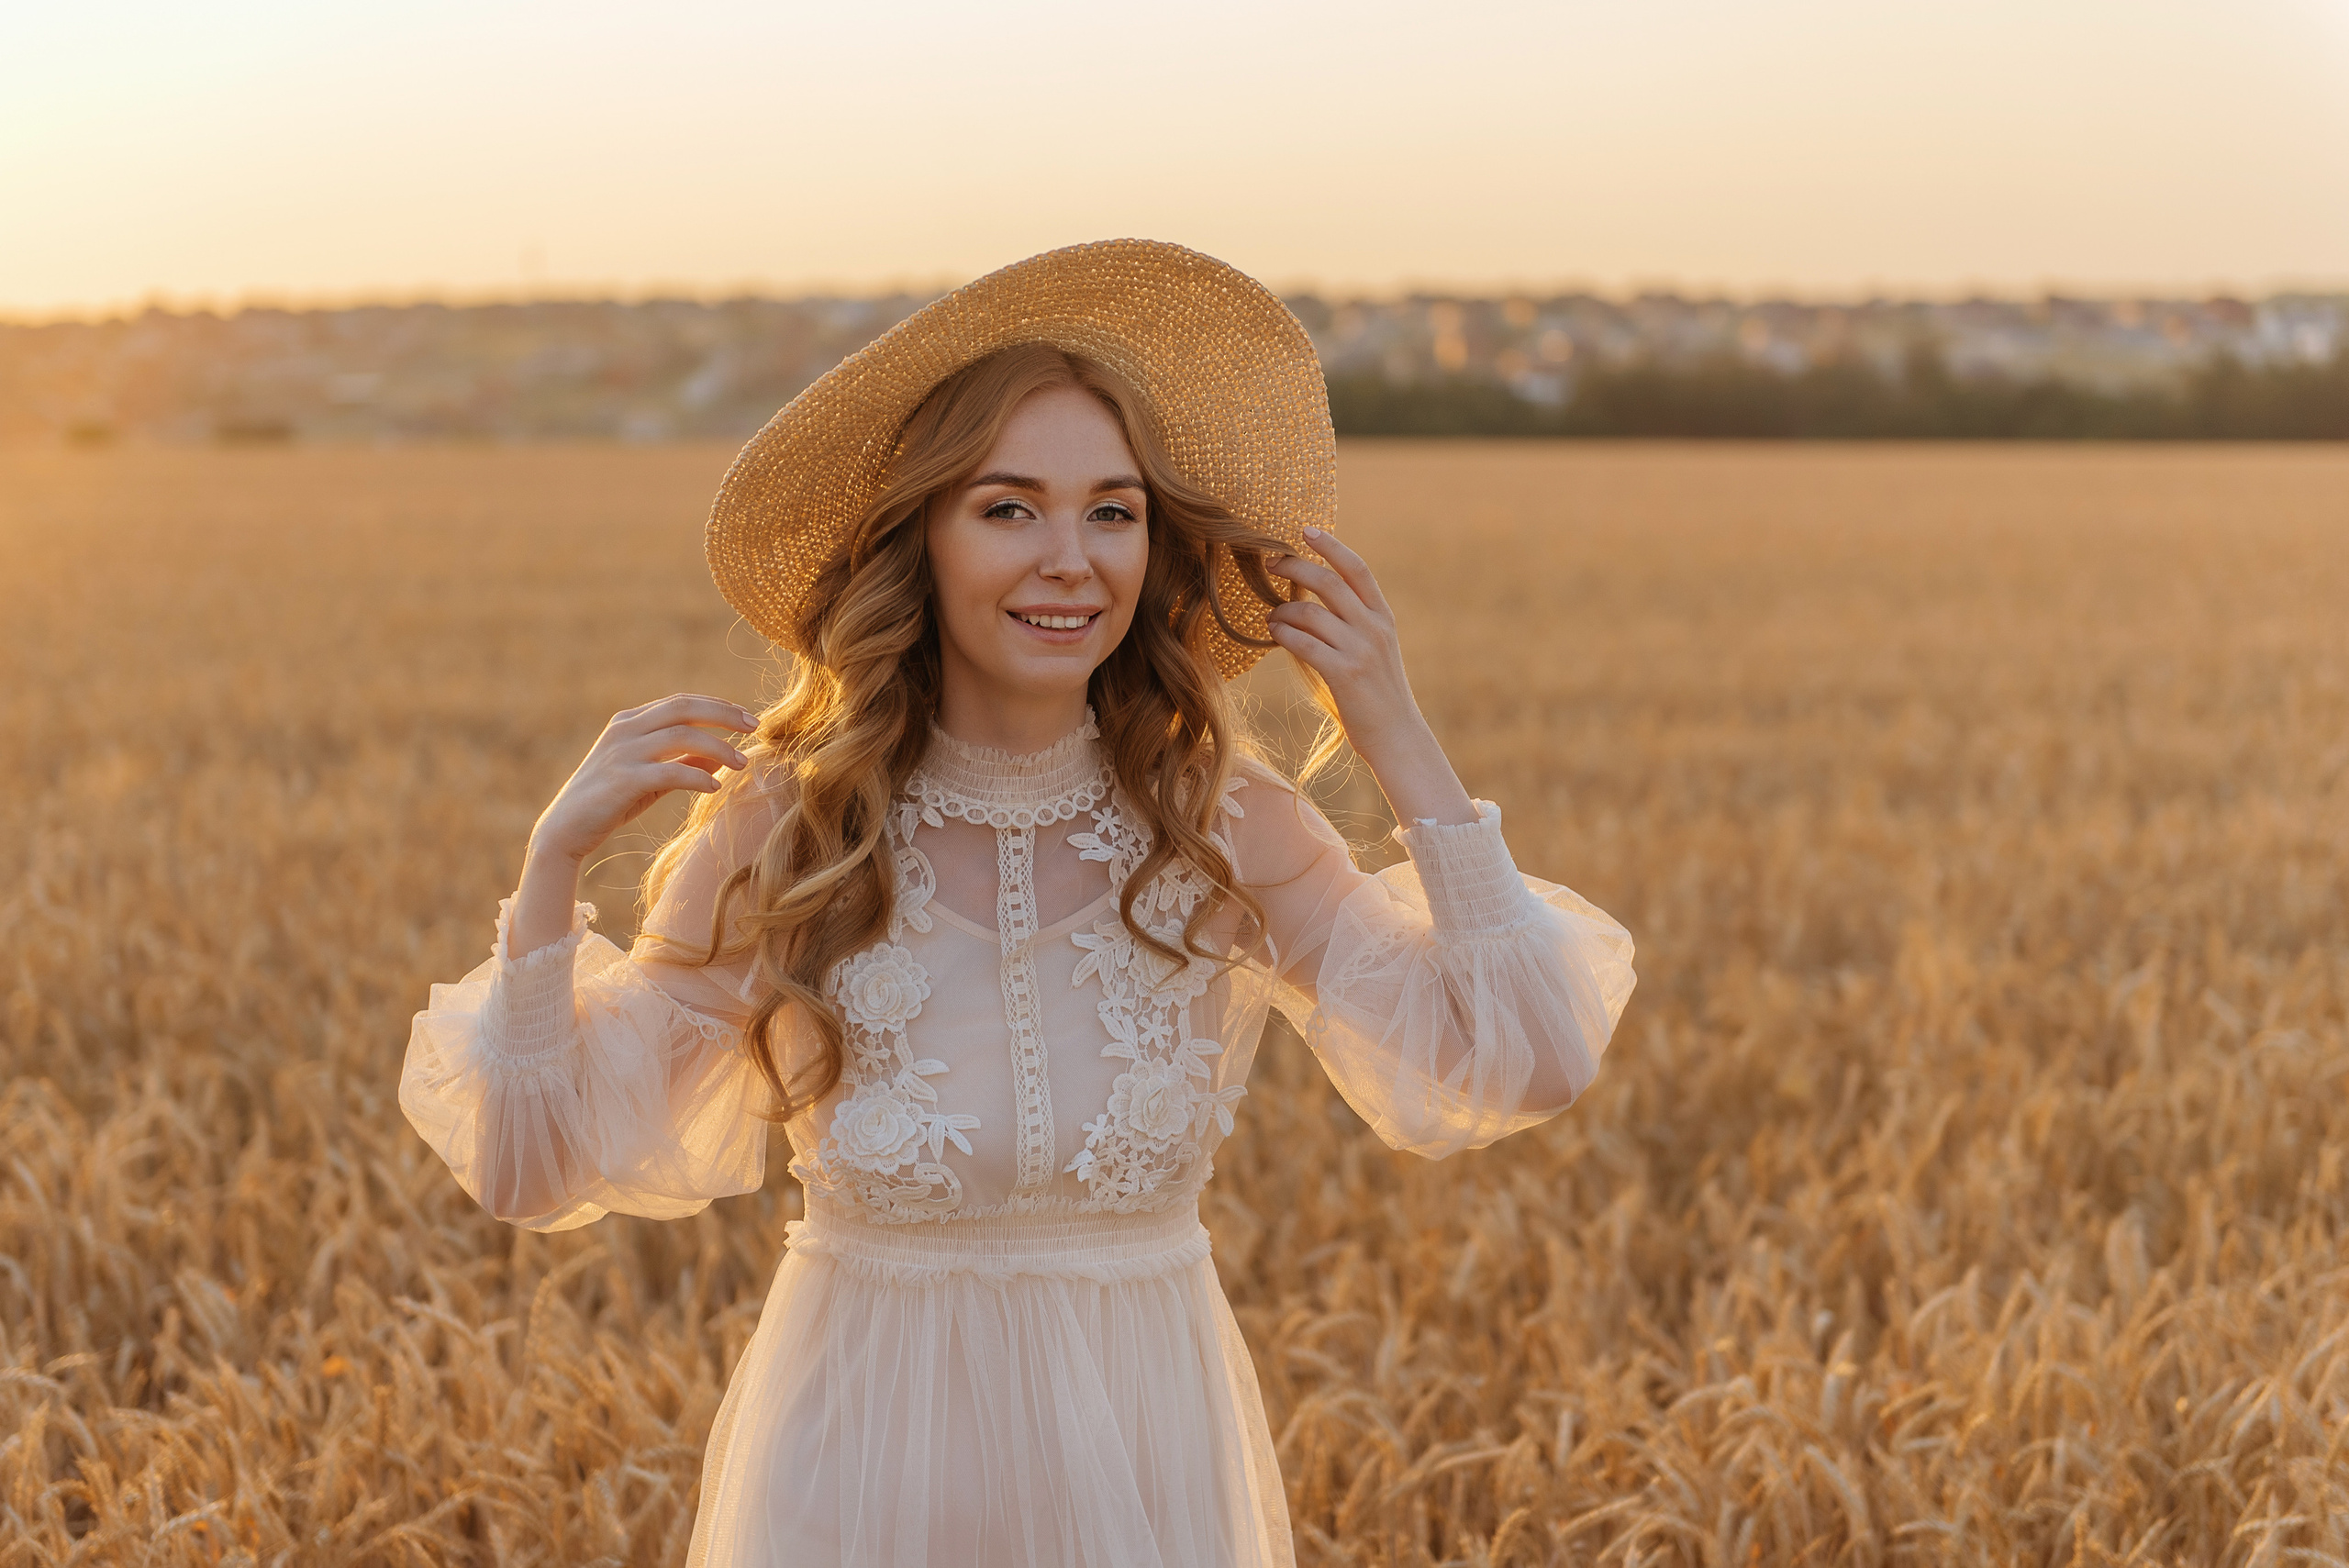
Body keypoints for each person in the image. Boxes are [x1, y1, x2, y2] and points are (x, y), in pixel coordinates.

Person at [402, 239, 1635, 1567]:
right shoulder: (792, 827)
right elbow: (534, 1166)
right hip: (861, 1483)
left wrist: (1391, 727)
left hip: (1151, 1475)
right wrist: (546, 875)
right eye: (1009, 508)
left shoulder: (1220, 821)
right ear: (917, 537)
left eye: (1113, 510)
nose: (1072, 559)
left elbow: (1529, 1057)